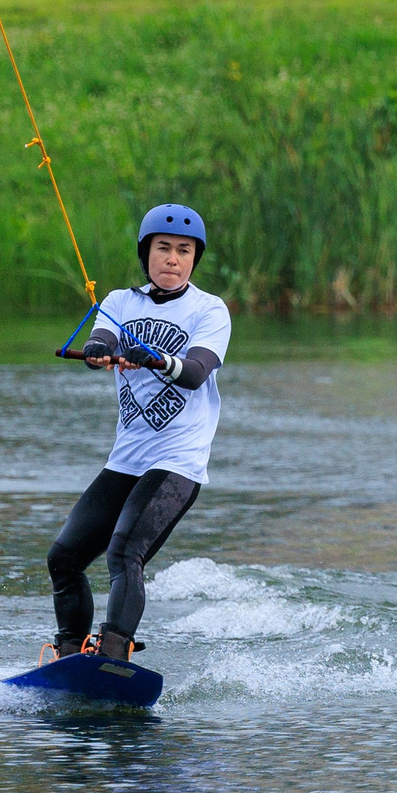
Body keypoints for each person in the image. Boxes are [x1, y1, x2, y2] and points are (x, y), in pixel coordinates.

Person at [45, 205, 233, 663]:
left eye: (183, 252)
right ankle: (70, 653)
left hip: (177, 462)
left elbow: (194, 371)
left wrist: (153, 358)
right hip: (126, 460)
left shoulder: (210, 310)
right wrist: (96, 352)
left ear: (194, 260)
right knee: (63, 558)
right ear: (146, 254)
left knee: (124, 552)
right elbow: (102, 341)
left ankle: (114, 652)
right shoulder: (118, 301)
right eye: (163, 249)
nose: (172, 259)